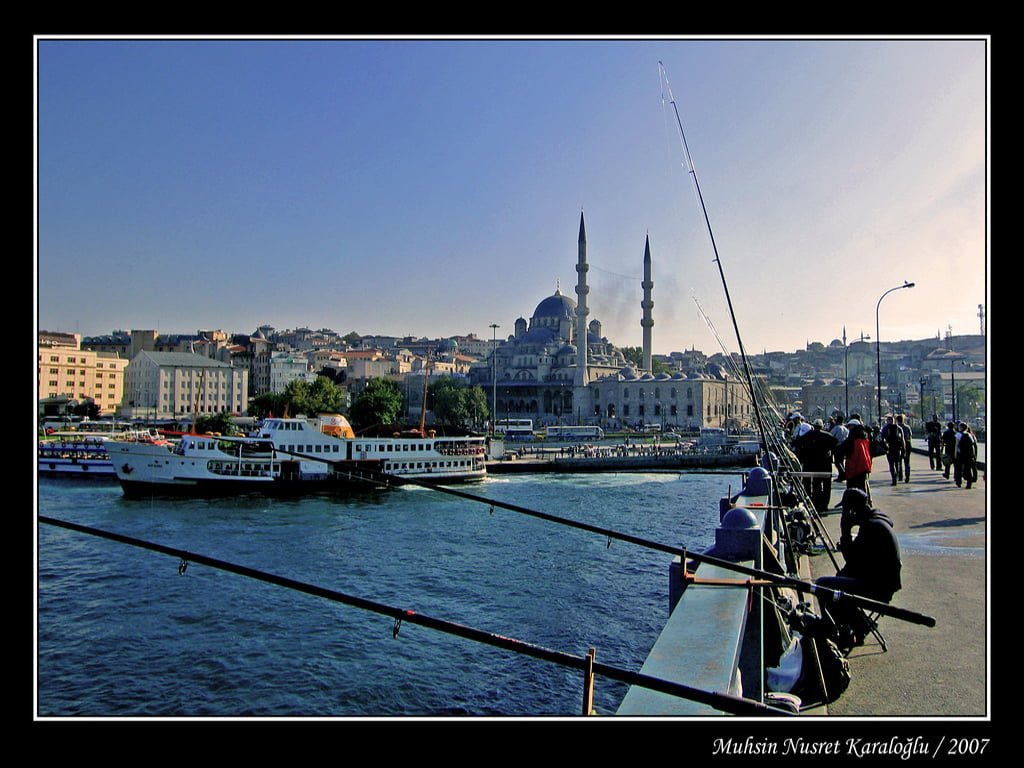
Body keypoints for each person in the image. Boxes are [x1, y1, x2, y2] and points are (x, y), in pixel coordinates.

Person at [815, 488, 902, 650]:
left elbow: (852, 560)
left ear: (853, 510)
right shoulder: (876, 521)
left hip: (878, 588)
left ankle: (842, 630)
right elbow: (859, 561)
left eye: (846, 511)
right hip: (884, 583)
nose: (845, 515)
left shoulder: (871, 528)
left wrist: (845, 531)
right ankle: (859, 625)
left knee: (823, 585)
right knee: (840, 578)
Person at [792, 418, 839, 512]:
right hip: (825, 463)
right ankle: (824, 505)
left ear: (813, 426)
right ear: (822, 426)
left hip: (810, 463)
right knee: (826, 485)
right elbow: (836, 443)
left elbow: (796, 443)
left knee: (814, 484)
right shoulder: (828, 435)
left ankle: (812, 502)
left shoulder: (808, 435)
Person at [835, 414, 873, 505]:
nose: (849, 428)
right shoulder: (865, 435)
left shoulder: (853, 436)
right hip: (865, 464)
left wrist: (836, 450)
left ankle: (852, 503)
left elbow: (843, 448)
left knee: (852, 486)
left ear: (853, 426)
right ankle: (865, 502)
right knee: (862, 485)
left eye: (849, 426)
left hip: (854, 465)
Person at [880, 414, 906, 485]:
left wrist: (884, 448)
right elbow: (902, 440)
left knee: (891, 464)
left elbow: (882, 439)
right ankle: (896, 475)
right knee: (897, 463)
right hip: (897, 448)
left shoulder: (885, 428)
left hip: (889, 448)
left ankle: (894, 477)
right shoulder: (899, 428)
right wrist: (903, 449)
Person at [954, 422, 978, 489]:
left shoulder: (958, 434)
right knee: (968, 468)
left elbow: (956, 445)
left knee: (959, 469)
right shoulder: (970, 434)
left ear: (961, 428)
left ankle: (958, 482)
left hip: (961, 454)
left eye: (959, 427)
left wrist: (955, 454)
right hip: (969, 454)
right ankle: (969, 483)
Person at [830, 414, 850, 483]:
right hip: (844, 446)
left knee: (837, 462)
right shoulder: (845, 428)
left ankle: (843, 474)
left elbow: (831, 435)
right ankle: (841, 476)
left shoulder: (837, 428)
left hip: (838, 446)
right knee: (841, 461)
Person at [896, 413, 912, 483]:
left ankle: (900, 476)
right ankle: (907, 476)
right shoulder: (907, 427)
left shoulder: (897, 428)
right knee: (907, 461)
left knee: (899, 461)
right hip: (908, 444)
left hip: (899, 445)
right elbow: (910, 436)